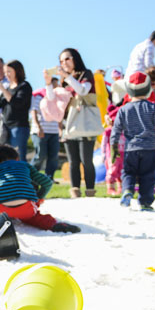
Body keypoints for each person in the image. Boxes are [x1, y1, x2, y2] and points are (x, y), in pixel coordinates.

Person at [111, 72, 155, 210]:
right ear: (148, 89)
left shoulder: (123, 109)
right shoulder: (153, 107)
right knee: (148, 175)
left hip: (131, 149)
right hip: (150, 148)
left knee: (128, 172)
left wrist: (114, 146)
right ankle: (145, 202)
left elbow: (116, 129)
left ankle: (128, 190)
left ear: (129, 90)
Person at [0, 146, 80, 233]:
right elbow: (47, 183)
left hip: (3, 209)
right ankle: (52, 225)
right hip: (26, 207)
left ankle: (1, 218)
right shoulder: (25, 165)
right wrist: (39, 197)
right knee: (33, 217)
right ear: (17, 158)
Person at [57, 48, 99, 198]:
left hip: (85, 122)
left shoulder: (85, 74)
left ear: (75, 58)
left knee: (86, 159)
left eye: (67, 59)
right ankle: (75, 190)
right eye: (61, 60)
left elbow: (82, 90)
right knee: (73, 161)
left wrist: (68, 77)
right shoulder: (64, 80)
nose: (64, 63)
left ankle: (90, 191)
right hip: (68, 123)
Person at [0, 60, 32, 159]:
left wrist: (2, 89)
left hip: (18, 127)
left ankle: (22, 174)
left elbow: (17, 103)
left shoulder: (24, 86)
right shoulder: (8, 88)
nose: (6, 74)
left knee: (19, 156)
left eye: (9, 71)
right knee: (7, 157)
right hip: (5, 128)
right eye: (5, 71)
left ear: (17, 71)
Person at [30, 72, 62, 181]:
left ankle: (49, 178)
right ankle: (32, 177)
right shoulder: (40, 96)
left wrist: (60, 129)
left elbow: (59, 114)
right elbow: (33, 111)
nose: (56, 87)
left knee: (53, 157)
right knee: (40, 155)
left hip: (54, 132)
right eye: (54, 85)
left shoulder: (57, 99)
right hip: (41, 131)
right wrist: (38, 127)